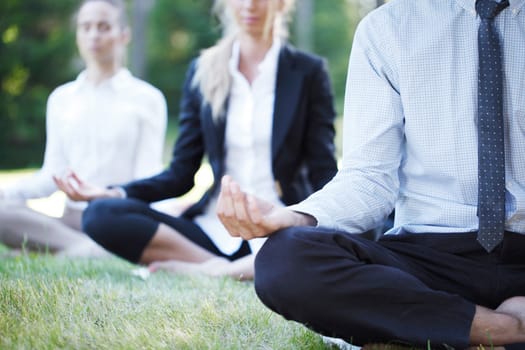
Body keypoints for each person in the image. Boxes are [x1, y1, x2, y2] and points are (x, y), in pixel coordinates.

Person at [216, 0, 525, 349]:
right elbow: (369, 179)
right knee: (284, 260)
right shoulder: (387, 28)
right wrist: (292, 215)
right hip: (430, 260)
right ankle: (505, 329)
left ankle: (435, 329)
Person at [55, 0, 338, 279]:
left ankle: (219, 271)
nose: (250, 5)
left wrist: (331, 222)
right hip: (213, 232)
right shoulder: (204, 71)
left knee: (325, 241)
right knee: (101, 214)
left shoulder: (308, 72)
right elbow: (180, 174)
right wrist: (114, 193)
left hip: (283, 229)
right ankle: (228, 267)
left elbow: (323, 171)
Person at [0, 0, 167, 257]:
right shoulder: (61, 99)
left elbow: (147, 177)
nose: (93, 35)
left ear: (124, 34)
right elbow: (51, 177)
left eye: (103, 27)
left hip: (117, 220)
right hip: (68, 221)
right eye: (85, 27)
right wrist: (6, 193)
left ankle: (62, 250)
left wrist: (171, 213)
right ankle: (86, 250)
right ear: (77, 34)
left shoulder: (148, 99)